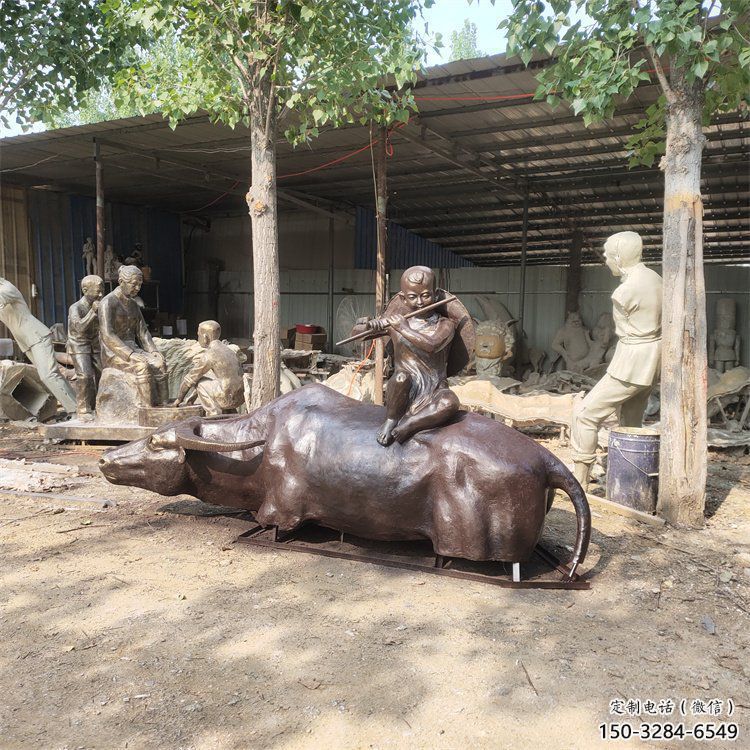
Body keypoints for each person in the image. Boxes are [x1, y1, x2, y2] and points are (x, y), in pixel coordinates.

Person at [571, 231, 663, 488]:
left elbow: (626, 332)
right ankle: (629, 482)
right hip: (652, 359)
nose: (605, 259)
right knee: (631, 422)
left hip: (632, 361)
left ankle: (580, 482)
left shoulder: (625, 292)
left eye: (608, 255)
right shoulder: (656, 279)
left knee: (585, 415)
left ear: (620, 257)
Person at [355, 265, 461, 446]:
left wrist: (403, 328)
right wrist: (366, 326)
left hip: (434, 388)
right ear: (403, 298)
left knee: (450, 402)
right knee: (401, 377)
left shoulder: (445, 325)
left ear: (435, 295)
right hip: (404, 386)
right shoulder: (396, 322)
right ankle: (392, 420)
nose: (419, 302)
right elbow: (357, 335)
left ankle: (410, 424)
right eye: (412, 297)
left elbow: (432, 345)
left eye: (425, 295)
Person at [0, 277, 77, 413]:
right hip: (27, 342)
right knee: (51, 376)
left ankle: (76, 410)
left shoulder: (6, 289)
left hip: (36, 336)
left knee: (48, 375)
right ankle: (76, 407)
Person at [98, 265, 168, 407]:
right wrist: (129, 355)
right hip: (114, 352)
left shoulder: (134, 305)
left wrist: (154, 351)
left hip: (133, 348)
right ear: (121, 282)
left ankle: (164, 405)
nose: (137, 288)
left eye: (140, 285)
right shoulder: (108, 302)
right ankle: (146, 409)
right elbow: (107, 334)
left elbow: (142, 332)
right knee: (142, 366)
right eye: (134, 284)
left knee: (160, 364)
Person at [172, 321, 244, 416]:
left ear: (205, 338)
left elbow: (190, 379)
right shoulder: (230, 351)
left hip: (225, 398)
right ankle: (230, 412)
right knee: (210, 377)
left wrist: (179, 399)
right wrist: (192, 397)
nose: (198, 339)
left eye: (199, 335)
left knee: (200, 383)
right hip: (239, 397)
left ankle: (213, 414)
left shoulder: (210, 355)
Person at [67, 275, 104, 419]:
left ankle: (99, 405)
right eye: (97, 292)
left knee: (104, 373)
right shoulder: (75, 307)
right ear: (85, 290)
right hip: (79, 344)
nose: (100, 295)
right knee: (85, 375)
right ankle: (83, 409)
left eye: (102, 291)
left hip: (95, 343)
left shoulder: (100, 304)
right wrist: (93, 312)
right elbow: (80, 328)